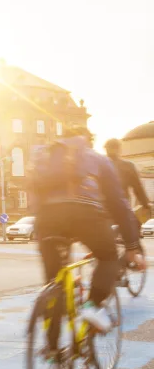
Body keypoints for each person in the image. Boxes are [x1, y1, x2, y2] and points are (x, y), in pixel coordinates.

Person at [32, 126, 145, 335]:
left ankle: (53, 355)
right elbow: (119, 205)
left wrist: (39, 228)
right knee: (109, 256)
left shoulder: (46, 156)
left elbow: (35, 193)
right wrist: (131, 245)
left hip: (48, 218)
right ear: (87, 140)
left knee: (54, 282)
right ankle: (93, 306)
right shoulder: (98, 159)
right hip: (86, 215)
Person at [105, 138, 150, 219]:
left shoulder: (99, 165)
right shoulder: (127, 166)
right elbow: (138, 188)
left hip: (103, 210)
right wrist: (145, 205)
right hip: (122, 209)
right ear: (119, 149)